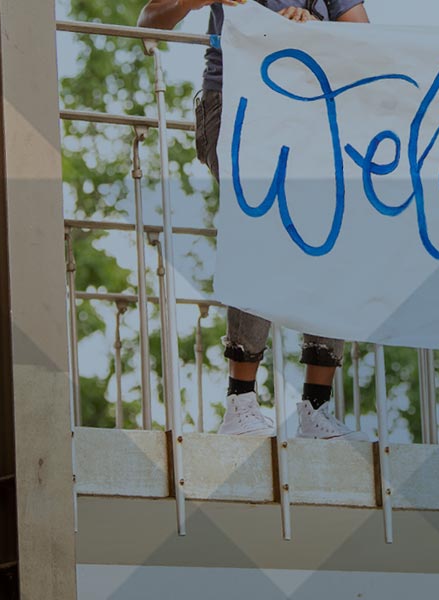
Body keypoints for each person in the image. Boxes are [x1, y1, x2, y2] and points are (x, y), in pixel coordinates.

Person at [138, 0, 370, 440]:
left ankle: (315, 409)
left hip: (307, 112)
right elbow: (151, 18)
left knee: (332, 234)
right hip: (235, 106)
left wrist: (313, 26)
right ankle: (241, 403)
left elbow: (364, 39)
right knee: (260, 225)